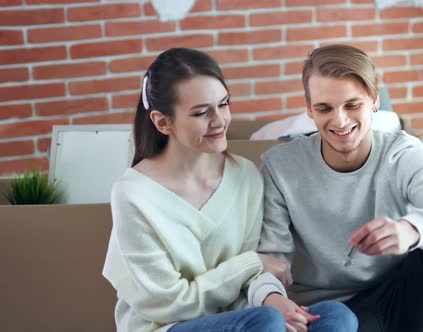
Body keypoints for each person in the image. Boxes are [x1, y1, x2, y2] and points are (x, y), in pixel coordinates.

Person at [102, 47, 357, 332]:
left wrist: (273, 298)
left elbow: (256, 274)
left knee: (337, 316)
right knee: (265, 322)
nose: (219, 121)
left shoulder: (245, 175)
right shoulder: (133, 194)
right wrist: (249, 266)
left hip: (247, 320)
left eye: (223, 105)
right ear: (163, 122)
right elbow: (167, 302)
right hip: (168, 325)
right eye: (201, 113)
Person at [249, 44, 423, 332]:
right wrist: (272, 298)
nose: (340, 120)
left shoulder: (401, 151)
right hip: (331, 310)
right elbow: (270, 259)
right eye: (324, 108)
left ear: (374, 101)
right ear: (309, 109)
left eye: (352, 105)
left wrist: (411, 229)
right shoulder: (279, 166)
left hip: (396, 290)